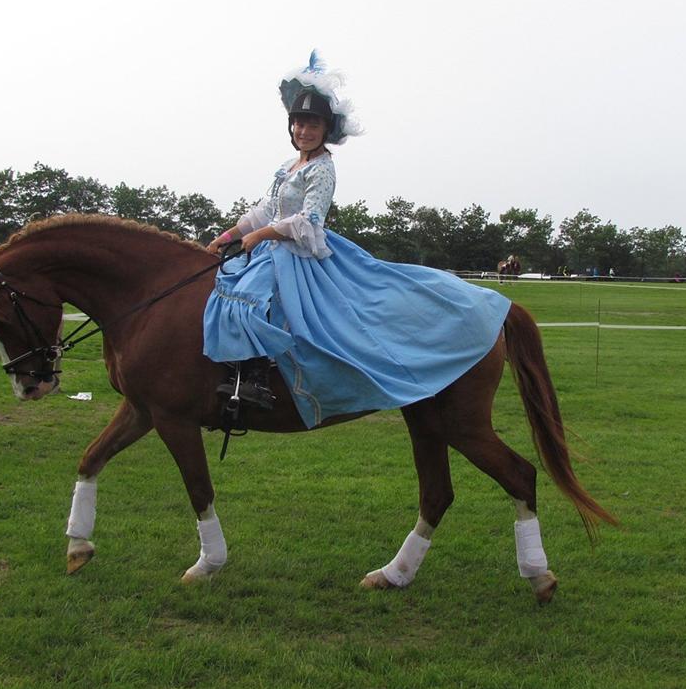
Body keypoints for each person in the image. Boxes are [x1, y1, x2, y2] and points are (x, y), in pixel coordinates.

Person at [203, 51, 511, 428]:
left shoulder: (323, 168)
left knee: (254, 297)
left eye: (312, 124)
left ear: (325, 129)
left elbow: (308, 219)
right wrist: (229, 235)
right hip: (273, 246)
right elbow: (266, 208)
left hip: (298, 252)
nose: (304, 131)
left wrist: (265, 235)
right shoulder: (288, 167)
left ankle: (255, 382)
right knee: (229, 287)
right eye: (299, 123)